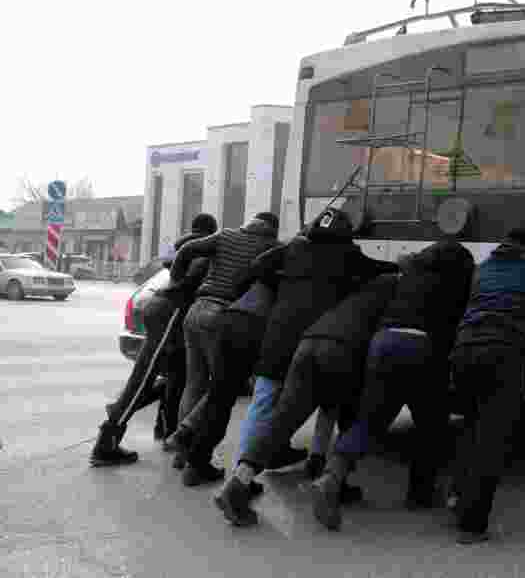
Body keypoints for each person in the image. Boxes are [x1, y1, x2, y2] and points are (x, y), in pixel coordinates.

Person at [223, 208, 400, 490]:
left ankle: (240, 474)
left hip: (277, 339)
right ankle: (320, 462)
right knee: (325, 402)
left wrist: (283, 284)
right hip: (314, 339)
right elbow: (383, 269)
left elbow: (257, 267)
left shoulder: (294, 249)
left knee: (265, 405)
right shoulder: (348, 256)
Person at [313, 237, 476, 530]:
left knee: (369, 420)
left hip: (383, 342)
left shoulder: (410, 273)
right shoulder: (456, 282)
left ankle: (332, 476)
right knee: (431, 424)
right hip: (422, 347)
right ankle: (420, 493)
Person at [215, 273, 399, 528]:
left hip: (309, 343)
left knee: (282, 420)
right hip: (346, 350)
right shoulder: (397, 294)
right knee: (352, 416)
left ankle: (237, 483)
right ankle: (333, 484)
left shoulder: (360, 291)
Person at [449, 226, 525, 544]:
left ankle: (457, 497)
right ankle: (472, 526)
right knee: (492, 438)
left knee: (469, 427)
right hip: (502, 353)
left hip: (464, 350)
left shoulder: (483, 268)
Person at [89, 213, 218, 467]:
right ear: (211, 232)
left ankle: (162, 429)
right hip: (170, 312)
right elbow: (186, 282)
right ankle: (107, 440)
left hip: (161, 310)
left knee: (171, 375)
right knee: (144, 376)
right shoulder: (201, 253)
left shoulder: (181, 247)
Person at [166, 211, 281, 485]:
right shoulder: (271, 247)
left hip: (195, 310)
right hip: (223, 314)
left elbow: (186, 249)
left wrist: (177, 282)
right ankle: (185, 433)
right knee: (222, 386)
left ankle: (183, 454)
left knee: (194, 383)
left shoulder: (226, 235)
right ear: (272, 230)